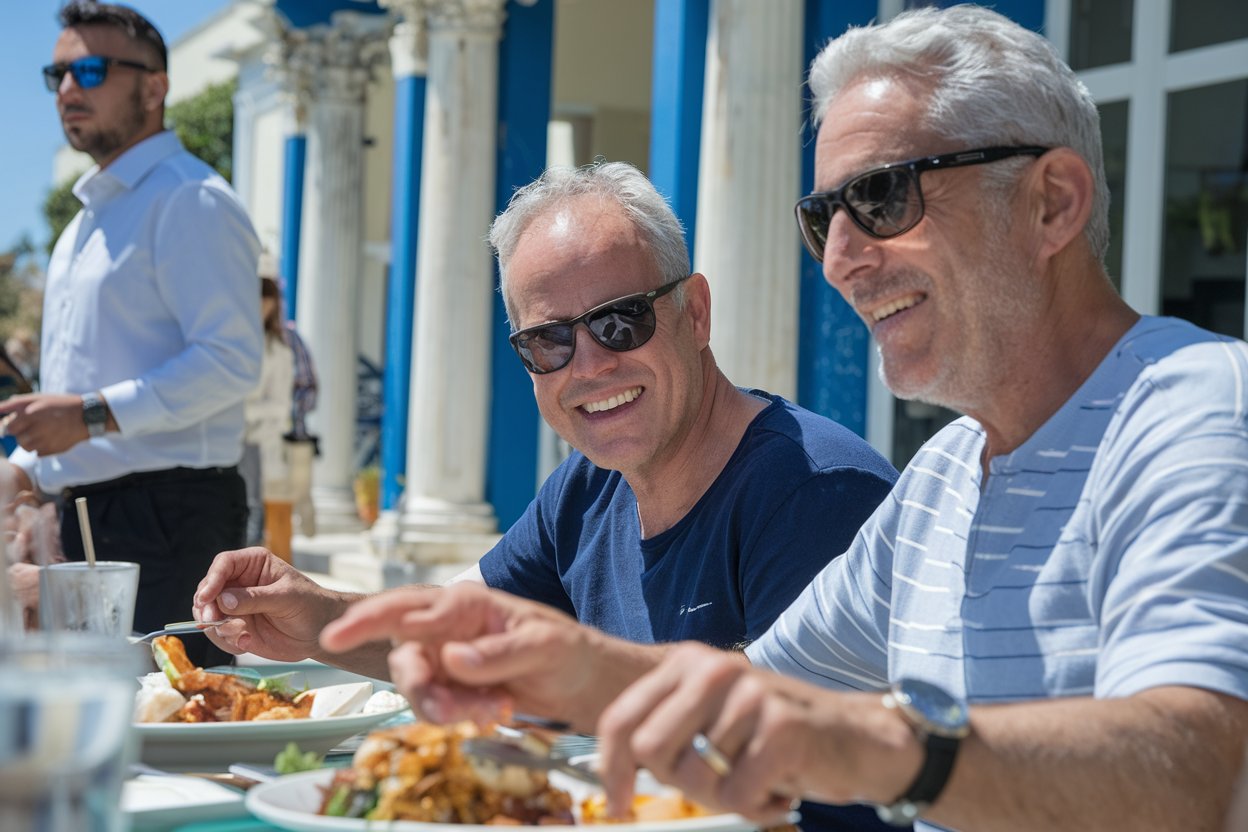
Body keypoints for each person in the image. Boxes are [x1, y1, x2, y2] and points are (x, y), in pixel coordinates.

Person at [272, 6, 1248, 832]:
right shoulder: (949, 475)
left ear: (1052, 202)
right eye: (827, 218)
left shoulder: (1195, 407)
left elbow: (1192, 762)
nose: (842, 257)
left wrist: (877, 738)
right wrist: (560, 663)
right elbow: (747, 693)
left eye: (883, 196)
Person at [195, 162, 899, 828]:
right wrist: (316, 617)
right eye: (548, 343)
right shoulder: (588, 488)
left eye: (621, 321)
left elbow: (784, 750)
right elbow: (461, 633)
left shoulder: (814, 489)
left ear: (697, 312)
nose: (590, 366)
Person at [1, 1, 261, 666]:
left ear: (155, 86)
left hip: (166, 518)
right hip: (83, 516)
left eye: (89, 69)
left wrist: (89, 417)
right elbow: (75, 389)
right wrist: (22, 469)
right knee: (81, 731)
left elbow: (231, 361)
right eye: (55, 74)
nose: (67, 89)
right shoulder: (82, 227)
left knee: (172, 731)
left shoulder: (190, 200)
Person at [240, 276, 295, 557]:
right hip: (220, 437)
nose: (261, 303)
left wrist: (242, 410)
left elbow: (280, 405)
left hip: (255, 440)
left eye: (267, 296)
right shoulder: (230, 340)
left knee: (251, 507)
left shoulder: (278, 350)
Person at [282, 318, 319, 537]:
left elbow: (309, 386)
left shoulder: (289, 336)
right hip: (252, 438)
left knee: (293, 495)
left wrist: (289, 410)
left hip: (292, 435)